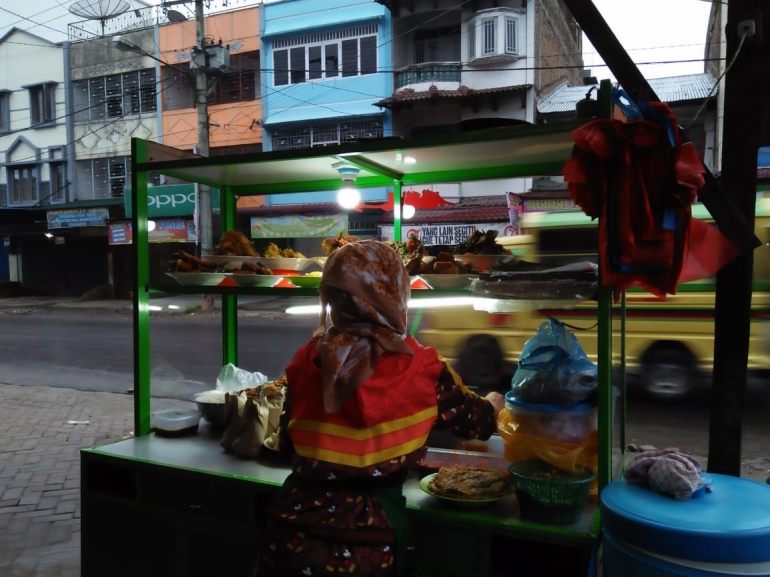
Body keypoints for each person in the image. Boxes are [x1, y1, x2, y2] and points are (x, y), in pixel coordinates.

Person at [254, 240, 505, 577]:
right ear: (394, 294)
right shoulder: (425, 367)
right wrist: (493, 403)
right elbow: (476, 425)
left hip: (290, 534)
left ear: (331, 298)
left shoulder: (306, 360)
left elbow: (286, 445)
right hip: (371, 545)